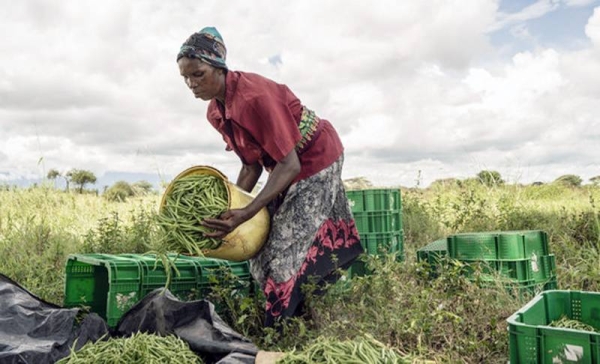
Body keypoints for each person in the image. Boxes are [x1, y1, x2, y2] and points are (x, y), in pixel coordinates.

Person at [176, 27, 363, 328]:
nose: (191, 84)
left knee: (281, 251)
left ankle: (279, 331)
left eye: (198, 74)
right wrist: (229, 209)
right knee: (258, 252)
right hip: (282, 165)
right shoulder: (216, 112)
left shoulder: (253, 98)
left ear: (219, 67)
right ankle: (301, 316)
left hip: (314, 157)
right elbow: (250, 166)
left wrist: (247, 212)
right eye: (185, 77)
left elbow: (290, 165)